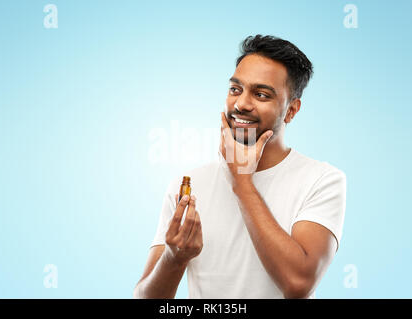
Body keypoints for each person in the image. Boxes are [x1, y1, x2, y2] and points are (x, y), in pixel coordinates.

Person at [133, 34, 347, 299]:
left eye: (261, 94)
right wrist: (174, 258)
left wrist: (242, 183)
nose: (241, 104)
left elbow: (298, 283)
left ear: (291, 110)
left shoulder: (321, 180)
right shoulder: (187, 185)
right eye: (235, 89)